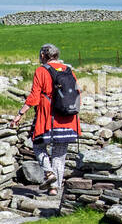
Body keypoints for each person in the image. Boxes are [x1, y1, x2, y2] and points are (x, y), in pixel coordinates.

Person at [11, 43, 81, 196]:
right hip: (68, 118)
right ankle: (54, 188)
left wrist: (20, 113)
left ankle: (49, 173)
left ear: (43, 55)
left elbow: (34, 97)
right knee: (59, 154)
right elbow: (77, 92)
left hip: (48, 117)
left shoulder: (41, 71)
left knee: (37, 145)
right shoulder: (69, 71)